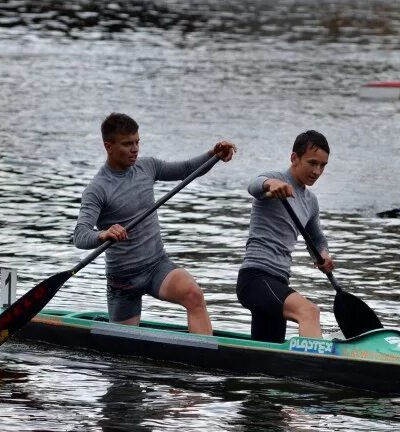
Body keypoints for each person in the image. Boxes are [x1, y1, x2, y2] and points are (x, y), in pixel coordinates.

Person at [73, 112, 236, 333]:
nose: (135, 149)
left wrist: (213, 154)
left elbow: (188, 169)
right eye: (127, 144)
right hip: (123, 281)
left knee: (193, 294)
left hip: (156, 267)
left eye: (137, 142)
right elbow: (80, 235)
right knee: (121, 354)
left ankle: (203, 362)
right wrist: (103, 234)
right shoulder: (97, 189)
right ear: (108, 146)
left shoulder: (147, 167)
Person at [236, 130, 334, 344]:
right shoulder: (276, 180)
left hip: (279, 281)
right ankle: (316, 371)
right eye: (312, 163)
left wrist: (324, 255)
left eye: (322, 166)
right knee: (309, 312)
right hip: (256, 278)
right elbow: (254, 184)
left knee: (267, 351)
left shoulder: (310, 201)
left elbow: (316, 239)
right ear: (294, 158)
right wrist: (270, 185)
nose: (317, 171)